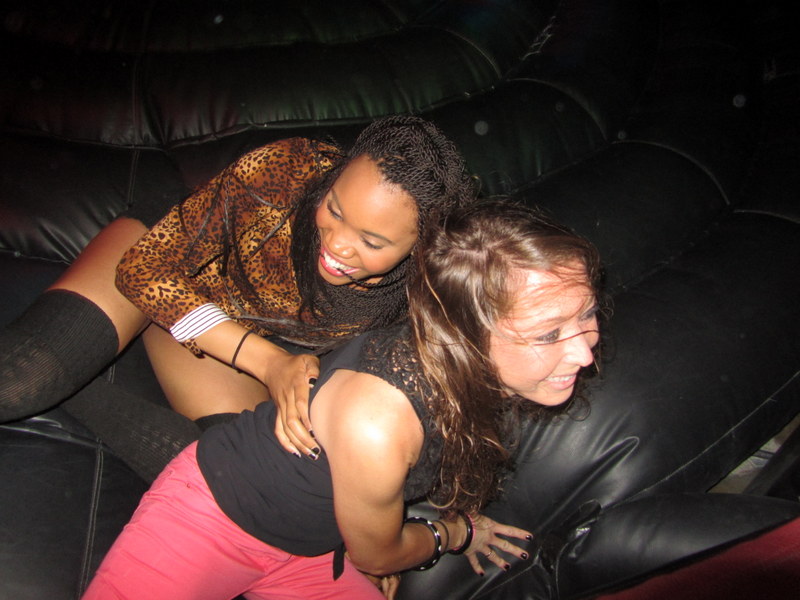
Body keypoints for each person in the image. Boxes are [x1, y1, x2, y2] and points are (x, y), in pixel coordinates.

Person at [82, 199, 602, 600]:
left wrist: (367, 538)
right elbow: (378, 556)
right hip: (213, 520)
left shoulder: (475, 367)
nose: (584, 352)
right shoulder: (378, 419)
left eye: (586, 314)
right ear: (463, 334)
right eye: (548, 334)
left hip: (314, 552)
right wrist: (456, 533)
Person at [0, 115, 477, 481]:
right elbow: (144, 271)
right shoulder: (289, 168)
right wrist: (270, 363)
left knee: (234, 477)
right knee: (19, 382)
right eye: (333, 209)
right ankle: (63, 370)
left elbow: (435, 401)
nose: (336, 243)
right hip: (172, 254)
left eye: (371, 242)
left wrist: (431, 520)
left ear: (422, 247)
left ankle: (75, 384)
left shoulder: (424, 288)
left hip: (223, 326)